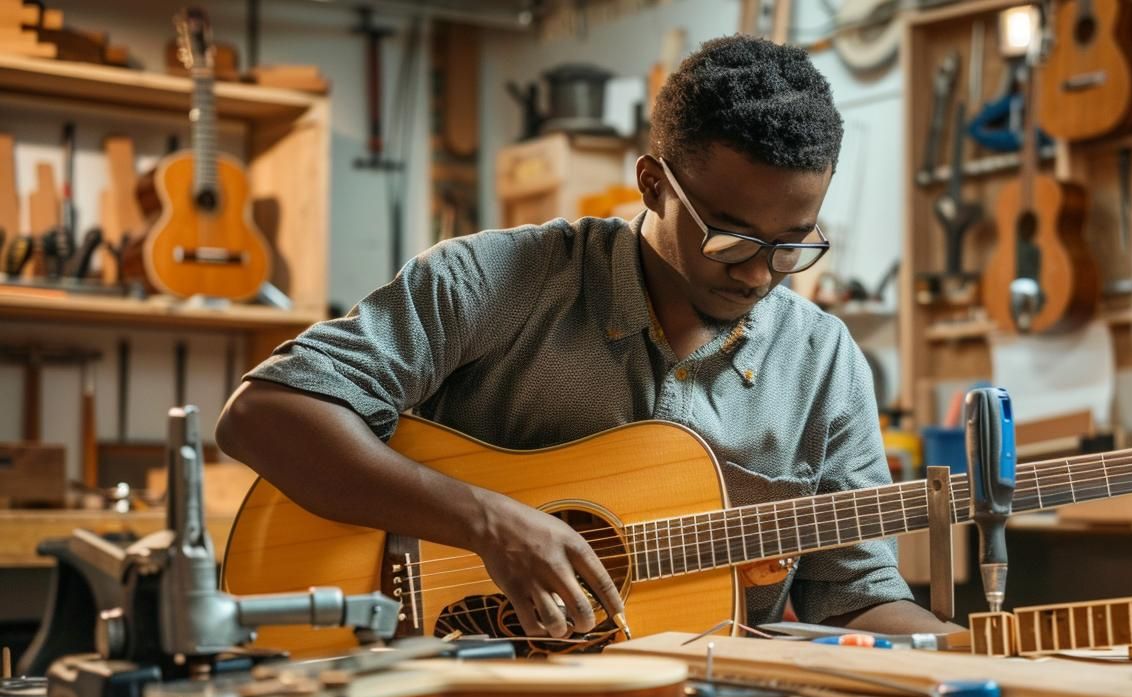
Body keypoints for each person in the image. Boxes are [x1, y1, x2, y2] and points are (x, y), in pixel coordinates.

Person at [216, 34, 958, 642]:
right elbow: (264, 416)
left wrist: (971, 652)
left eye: (793, 243)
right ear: (653, 184)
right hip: (440, 684)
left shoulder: (824, 364)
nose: (763, 273)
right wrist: (484, 522)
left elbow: (853, 600)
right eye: (731, 240)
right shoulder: (498, 279)